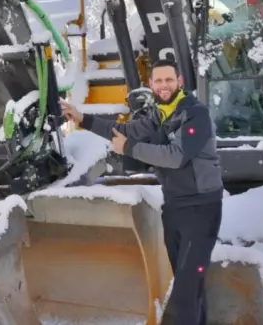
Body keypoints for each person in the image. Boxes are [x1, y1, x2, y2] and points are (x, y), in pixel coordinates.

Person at [60, 59, 223, 325]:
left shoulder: (195, 114)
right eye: (158, 81)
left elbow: (176, 156)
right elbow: (124, 131)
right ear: (151, 85)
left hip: (201, 210)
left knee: (184, 293)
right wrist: (82, 119)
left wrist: (130, 149)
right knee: (190, 288)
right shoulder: (160, 114)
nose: (164, 85)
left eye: (169, 80)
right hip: (174, 208)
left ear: (180, 82)